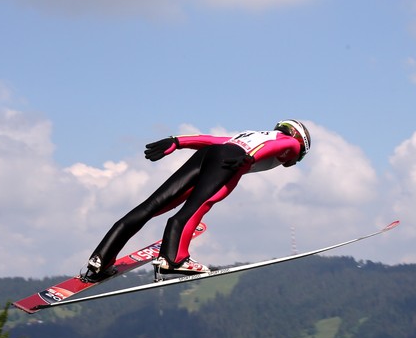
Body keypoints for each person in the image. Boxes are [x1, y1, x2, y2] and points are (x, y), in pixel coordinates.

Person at [84, 119, 311, 280]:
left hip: (211, 153)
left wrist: (177, 141)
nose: (292, 162)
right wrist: (250, 157)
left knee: (152, 205)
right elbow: (279, 146)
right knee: (199, 204)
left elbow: (213, 139)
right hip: (230, 159)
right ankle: (174, 259)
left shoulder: (253, 134)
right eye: (298, 159)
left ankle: (101, 259)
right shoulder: (291, 144)